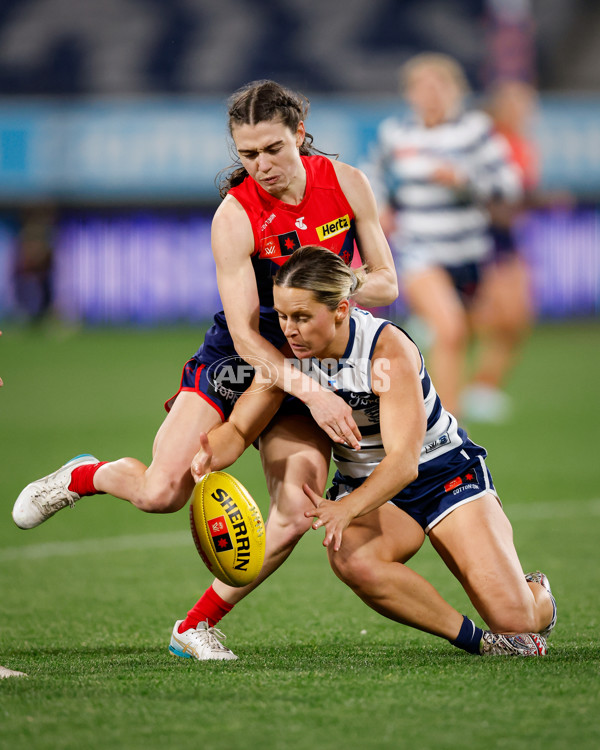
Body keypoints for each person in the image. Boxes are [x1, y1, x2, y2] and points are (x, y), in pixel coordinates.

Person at [12, 80, 398, 660]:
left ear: (299, 133)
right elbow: (245, 334)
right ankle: (86, 475)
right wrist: (310, 394)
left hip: (316, 352)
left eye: (273, 149)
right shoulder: (236, 215)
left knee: (297, 510)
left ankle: (195, 626)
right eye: (248, 154)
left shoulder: (346, 184)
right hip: (243, 359)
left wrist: (327, 296)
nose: (261, 166)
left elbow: (387, 281)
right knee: (161, 492)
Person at [189, 245, 556, 657]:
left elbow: (402, 463)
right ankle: (480, 642)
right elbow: (239, 428)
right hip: (369, 486)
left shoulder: (385, 349)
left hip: (444, 475)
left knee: (519, 621)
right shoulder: (288, 354)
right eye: (283, 316)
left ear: (341, 310)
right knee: (350, 556)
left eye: (302, 317)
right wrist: (213, 450)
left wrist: (345, 509)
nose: (288, 329)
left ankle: (535, 592)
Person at [368, 53, 522, 418]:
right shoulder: (396, 133)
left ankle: (457, 387)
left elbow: (510, 184)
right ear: (409, 94)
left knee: (489, 326)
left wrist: (465, 180)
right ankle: (448, 423)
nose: (430, 95)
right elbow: (370, 173)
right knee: (450, 330)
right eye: (421, 88)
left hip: (469, 252)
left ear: (456, 91)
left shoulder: (475, 131)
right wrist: (381, 207)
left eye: (438, 87)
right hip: (420, 249)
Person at [461, 79, 539, 422]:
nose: (525, 111)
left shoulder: (523, 144)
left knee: (518, 319)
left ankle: (484, 386)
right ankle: (475, 385)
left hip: (508, 238)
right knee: (499, 315)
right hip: (483, 236)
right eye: (518, 103)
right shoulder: (487, 142)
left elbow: (520, 195)